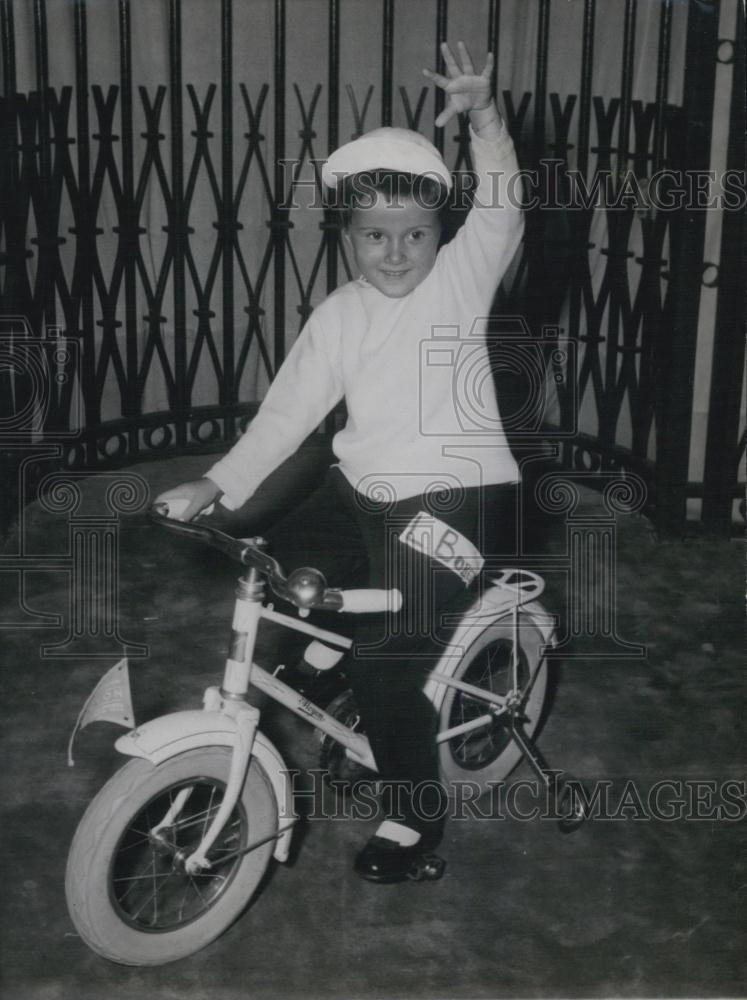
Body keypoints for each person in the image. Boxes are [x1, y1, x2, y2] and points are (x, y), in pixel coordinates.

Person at [156, 41, 524, 883]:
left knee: (387, 661)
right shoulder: (337, 314)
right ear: (347, 235)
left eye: (415, 234)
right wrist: (218, 482)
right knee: (280, 584)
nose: (395, 253)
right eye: (373, 235)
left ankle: (411, 818)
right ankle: (325, 662)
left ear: (441, 233)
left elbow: (500, 207)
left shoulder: (457, 286)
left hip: (458, 501)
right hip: (358, 491)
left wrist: (485, 119)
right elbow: (287, 414)